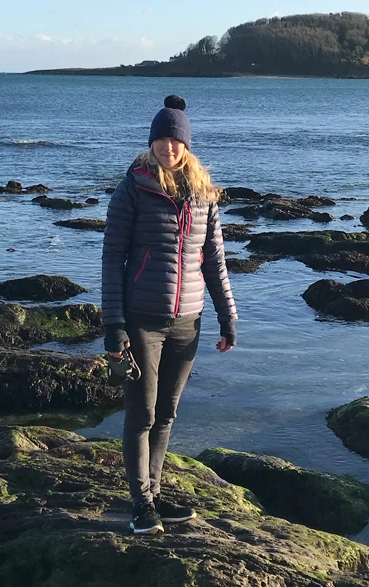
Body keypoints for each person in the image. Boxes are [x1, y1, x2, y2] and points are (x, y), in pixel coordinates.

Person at [102, 94, 237, 535]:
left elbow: (214, 259)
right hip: (142, 320)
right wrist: (114, 326)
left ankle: (154, 494)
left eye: (175, 140)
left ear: (187, 145)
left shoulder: (203, 196)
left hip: (188, 321)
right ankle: (141, 504)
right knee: (140, 414)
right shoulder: (133, 188)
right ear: (152, 143)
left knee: (166, 414)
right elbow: (112, 258)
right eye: (161, 139)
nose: (168, 147)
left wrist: (227, 315)